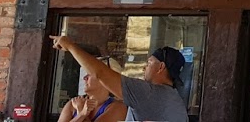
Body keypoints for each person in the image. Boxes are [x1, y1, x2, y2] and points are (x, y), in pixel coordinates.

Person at [52, 35, 189, 122]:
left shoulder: (149, 93)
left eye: (149, 63)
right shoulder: (175, 101)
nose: (144, 68)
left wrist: (70, 46)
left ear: (161, 67)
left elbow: (101, 72)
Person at [56, 48, 127, 122]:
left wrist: (81, 111)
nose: (84, 78)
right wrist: (81, 115)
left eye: (89, 74)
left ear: (103, 79)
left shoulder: (118, 107)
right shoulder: (73, 103)